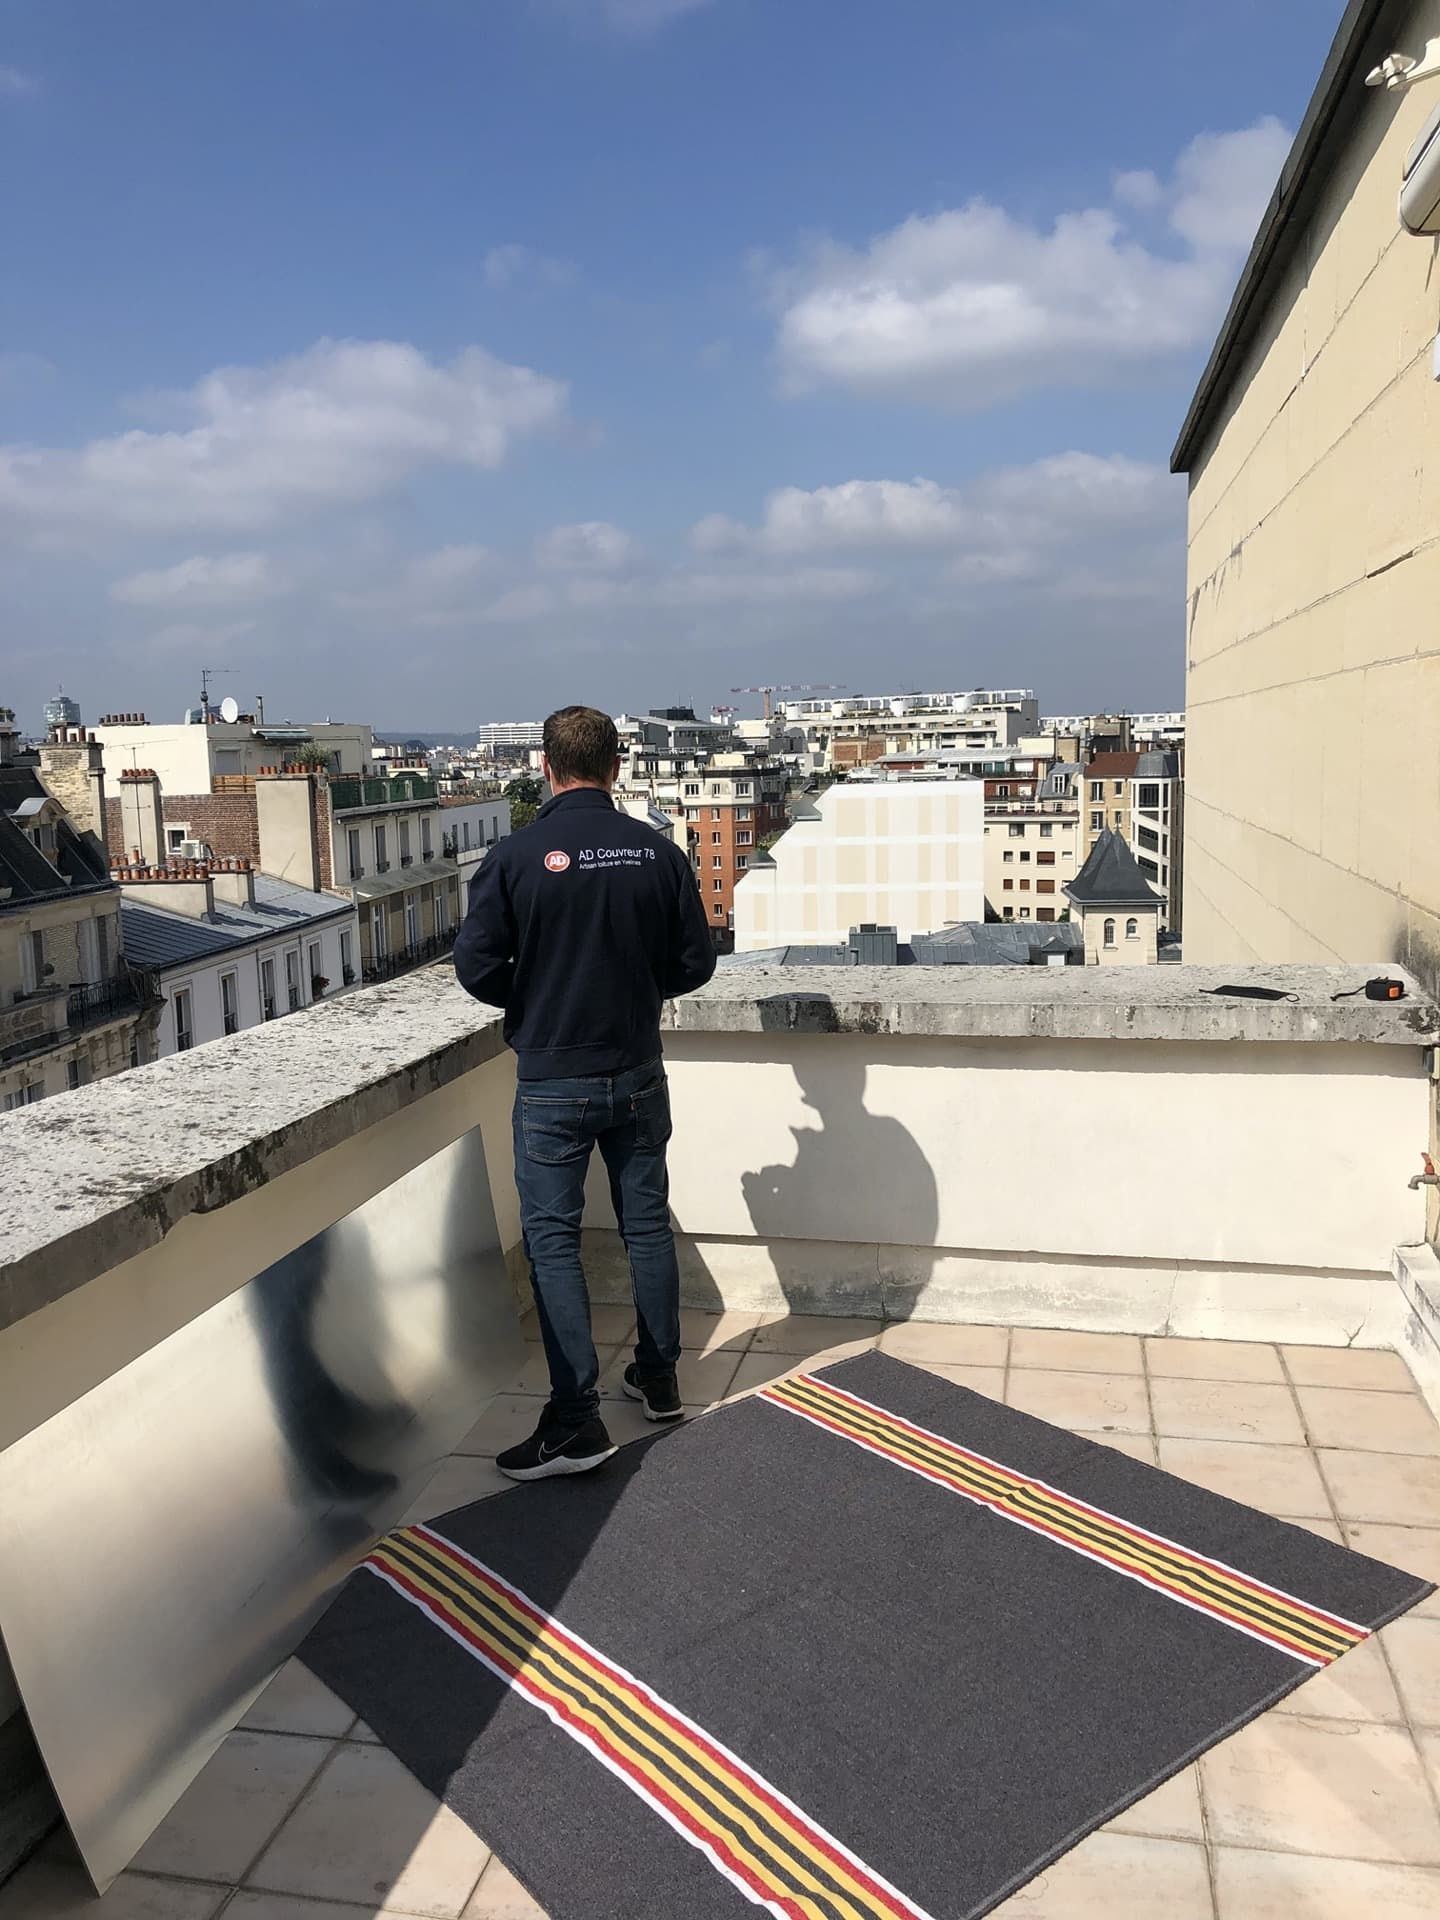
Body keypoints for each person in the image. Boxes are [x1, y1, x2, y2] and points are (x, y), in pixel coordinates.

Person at [453, 705, 717, 1480]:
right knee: (644, 1227)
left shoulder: (515, 856)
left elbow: (474, 968)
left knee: (554, 1243)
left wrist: (533, 999)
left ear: (545, 767)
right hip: (636, 1068)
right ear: (615, 767)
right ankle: (659, 1377)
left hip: (550, 1079)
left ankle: (576, 1420)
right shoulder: (656, 854)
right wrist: (637, 992)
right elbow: (695, 962)